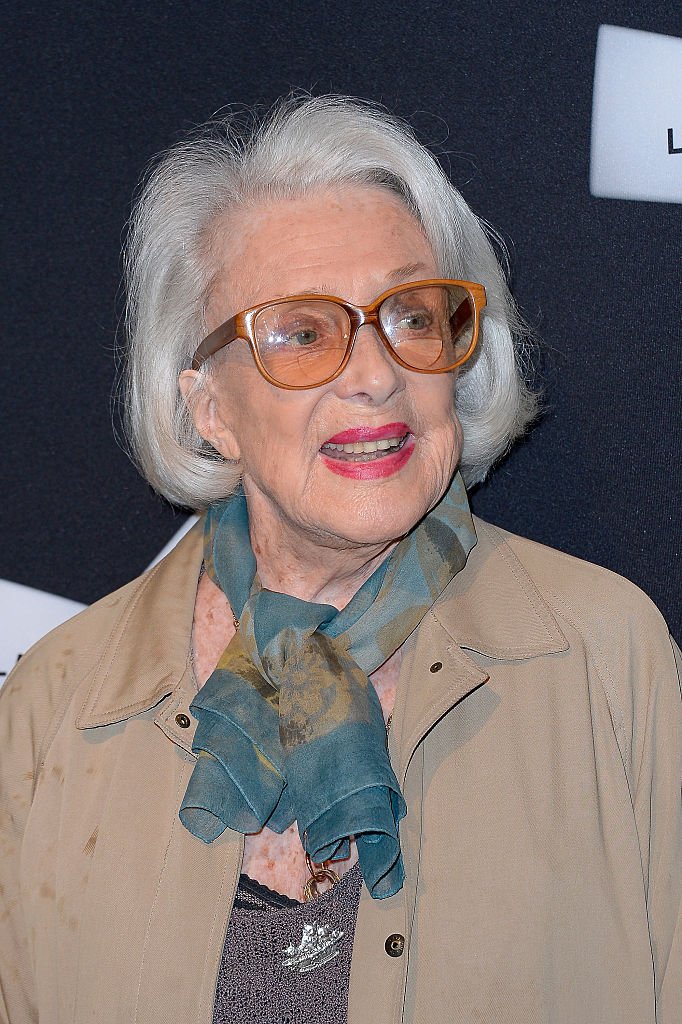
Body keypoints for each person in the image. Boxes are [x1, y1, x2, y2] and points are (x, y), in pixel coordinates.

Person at [1, 94, 679, 1024]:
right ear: (208, 408)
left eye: (410, 316)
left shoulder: (605, 659)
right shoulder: (54, 708)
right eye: (303, 333)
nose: (375, 374)